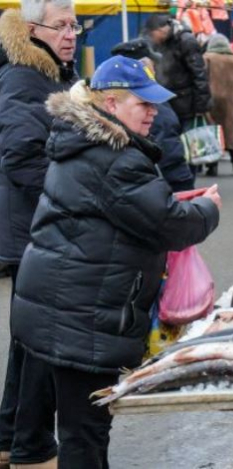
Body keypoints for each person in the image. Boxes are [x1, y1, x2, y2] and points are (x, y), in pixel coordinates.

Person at [10, 55, 220, 468]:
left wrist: (166, 202)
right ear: (110, 105)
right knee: (85, 435)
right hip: (82, 314)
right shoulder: (115, 157)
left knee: (70, 430)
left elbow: (125, 208)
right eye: (142, 103)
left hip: (58, 304)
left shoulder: (86, 142)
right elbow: (166, 224)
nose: (152, 111)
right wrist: (209, 210)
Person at [0, 1, 79, 466]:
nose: (71, 34)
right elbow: (21, 156)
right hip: (33, 228)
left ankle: (12, 436)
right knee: (39, 340)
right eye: (61, 25)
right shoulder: (23, 76)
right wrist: (72, 194)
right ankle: (30, 445)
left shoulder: (49, 72)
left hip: (36, 227)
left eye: (75, 25)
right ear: (32, 30)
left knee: (28, 341)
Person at [111, 39, 195, 191]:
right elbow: (170, 156)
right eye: (150, 64)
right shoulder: (152, 105)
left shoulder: (114, 102)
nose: (154, 68)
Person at [143, 14, 211, 130]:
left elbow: (199, 74)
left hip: (186, 106)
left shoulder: (186, 41)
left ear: (161, 30)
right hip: (169, 102)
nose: (151, 38)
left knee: (187, 142)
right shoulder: (163, 42)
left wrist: (201, 107)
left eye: (152, 34)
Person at [204, 34, 233, 176]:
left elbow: (201, 79)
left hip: (212, 99)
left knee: (212, 131)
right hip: (232, 100)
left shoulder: (207, 58)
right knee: (230, 130)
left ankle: (212, 166)